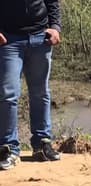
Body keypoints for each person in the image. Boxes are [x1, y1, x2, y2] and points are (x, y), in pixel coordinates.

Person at [0, 0, 62, 171]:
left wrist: (55, 27)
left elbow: (52, 1)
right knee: (8, 94)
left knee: (41, 92)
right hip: (8, 40)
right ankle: (8, 149)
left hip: (40, 38)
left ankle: (42, 144)